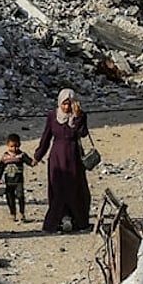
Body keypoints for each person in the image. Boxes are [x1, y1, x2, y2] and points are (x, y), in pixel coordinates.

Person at [34, 88, 92, 233]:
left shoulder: (80, 115)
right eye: (64, 104)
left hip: (74, 158)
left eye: (69, 104)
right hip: (57, 159)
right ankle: (55, 222)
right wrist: (37, 156)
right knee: (58, 189)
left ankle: (79, 222)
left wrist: (77, 116)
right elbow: (46, 137)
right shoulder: (53, 116)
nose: (66, 107)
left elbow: (83, 133)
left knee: (76, 189)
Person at [0, 133, 35, 223]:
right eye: (12, 146)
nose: (14, 148)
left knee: (20, 196)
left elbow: (30, 162)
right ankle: (12, 213)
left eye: (16, 146)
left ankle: (21, 213)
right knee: (10, 197)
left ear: (20, 144)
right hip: (9, 182)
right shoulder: (5, 157)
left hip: (19, 181)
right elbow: (1, 167)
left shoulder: (21, 155)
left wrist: (35, 161)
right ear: (7, 145)